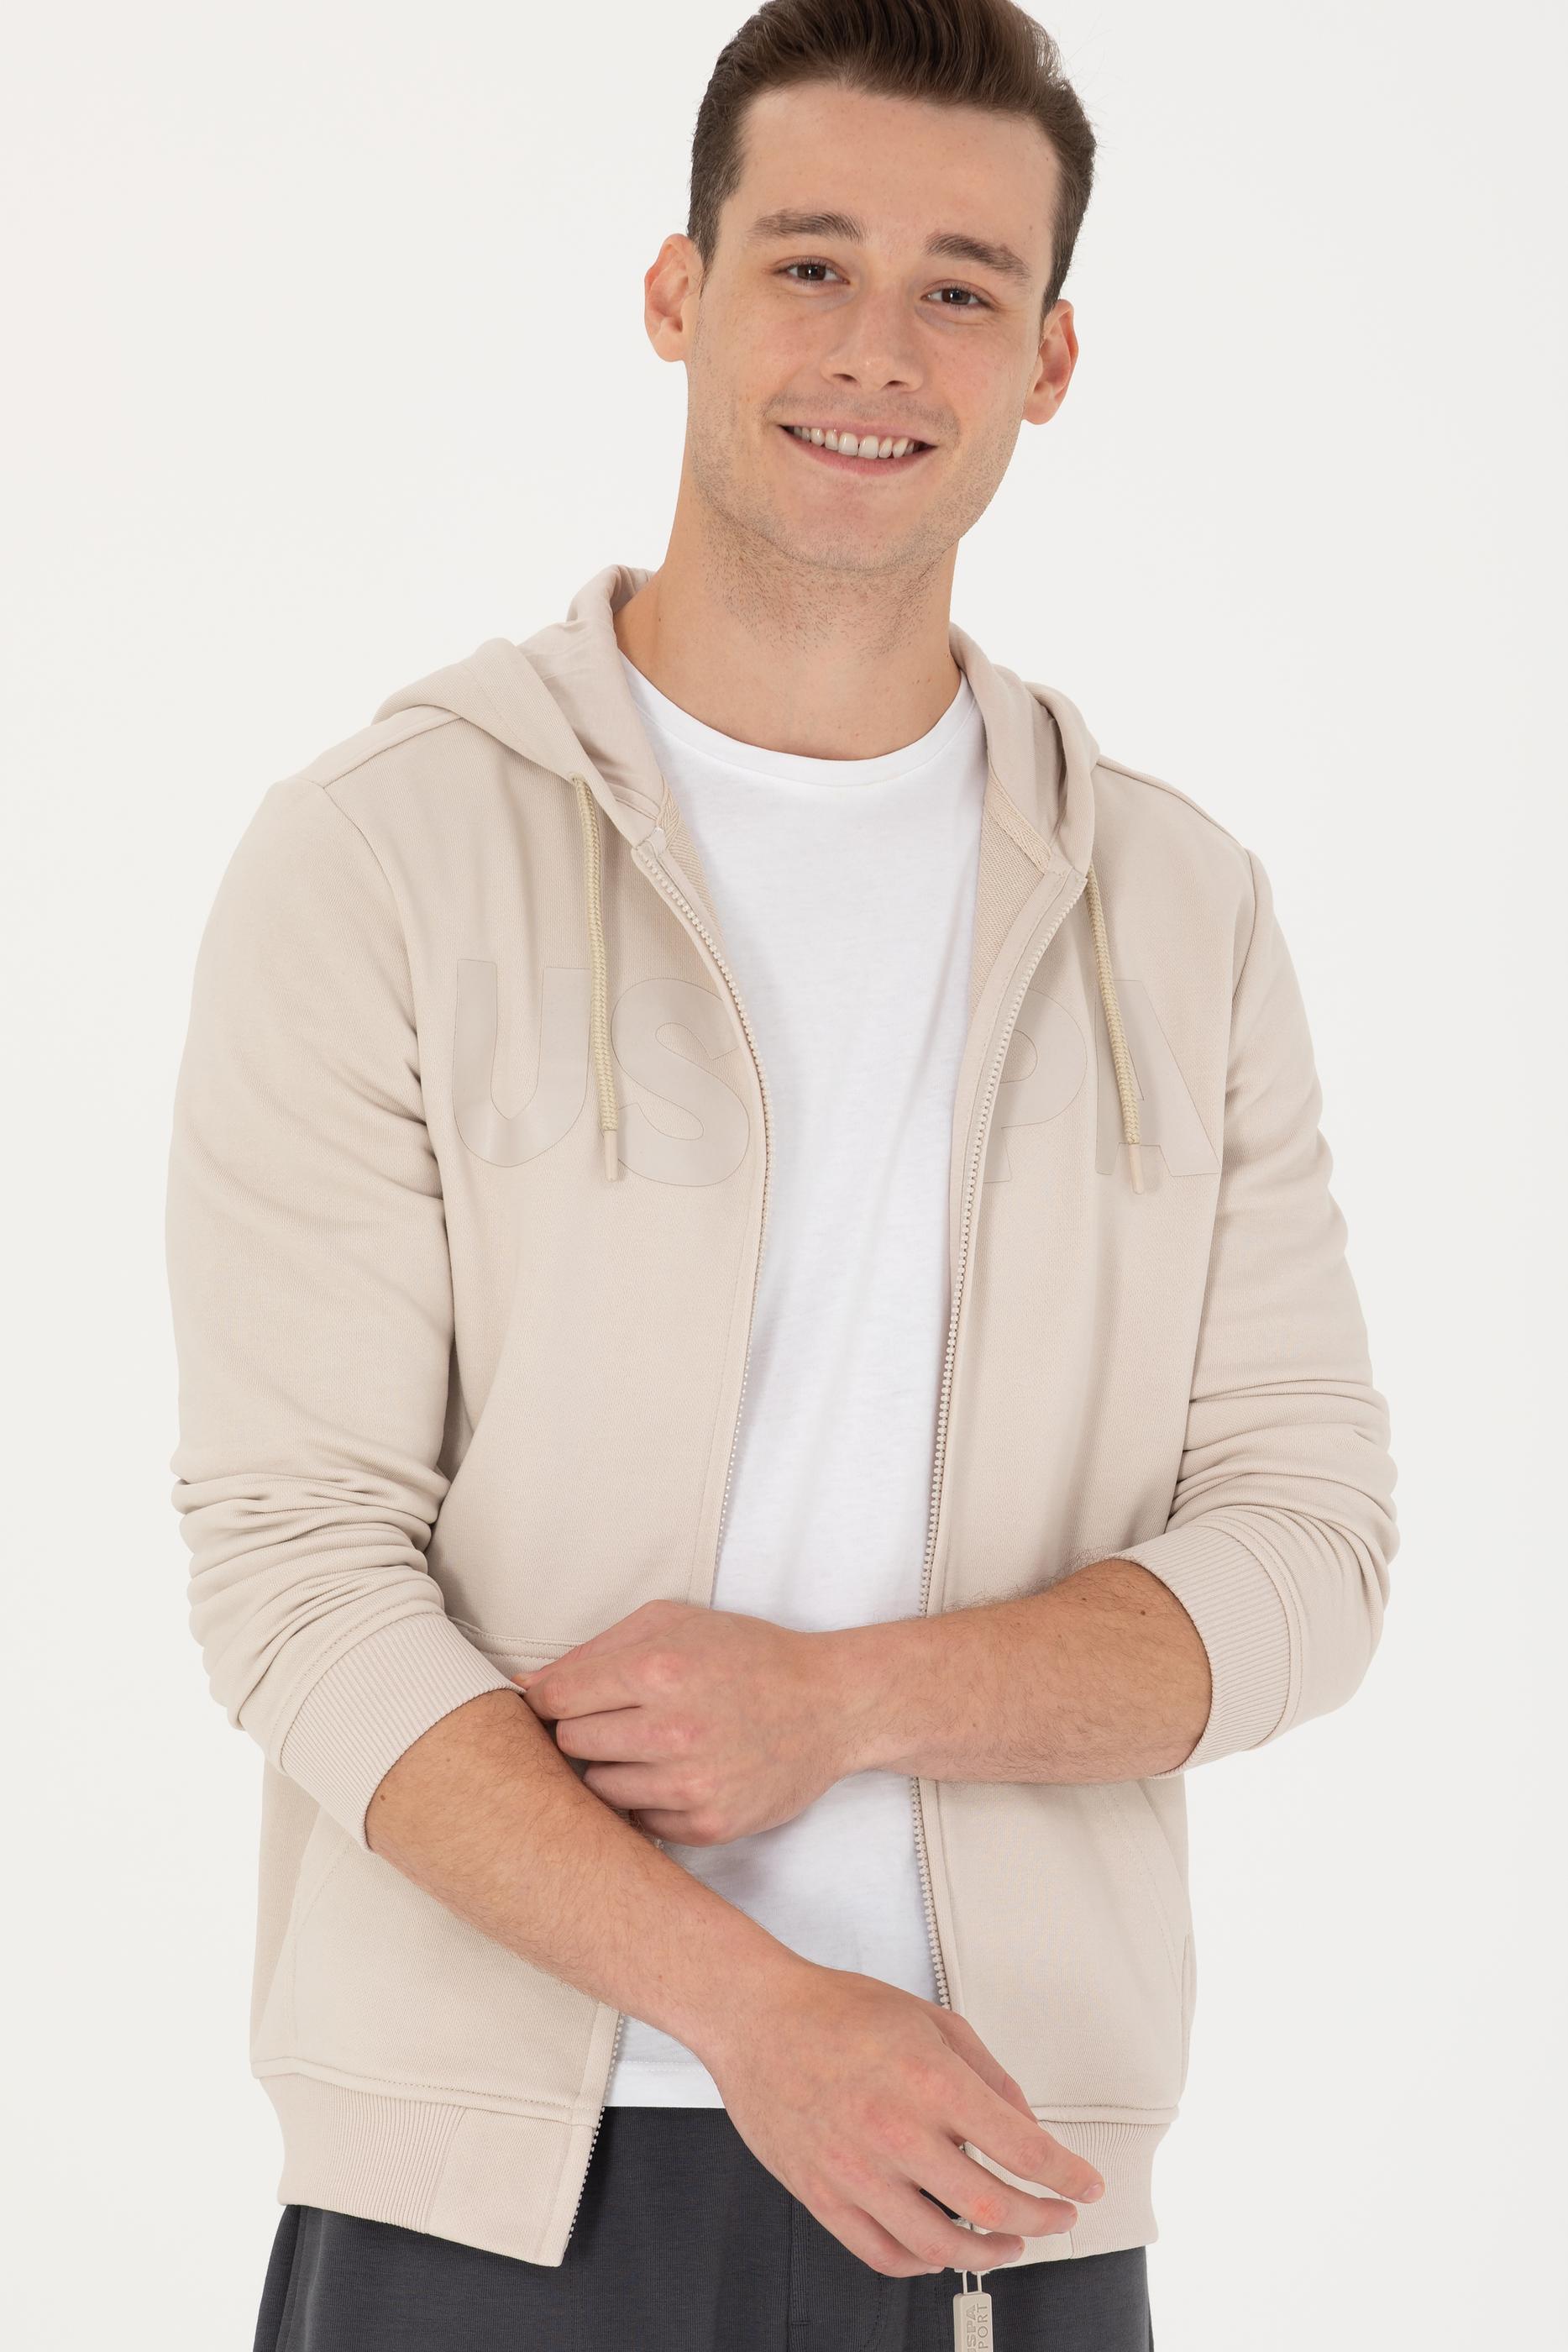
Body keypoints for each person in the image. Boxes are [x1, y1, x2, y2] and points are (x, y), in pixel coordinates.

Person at [164, 3, 1399, 2346]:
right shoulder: (383, 853)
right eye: (809, 262)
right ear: (679, 292)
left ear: (1047, 362)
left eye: (959, 287)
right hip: (485, 2192)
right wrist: (755, 2011)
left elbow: (1307, 1555)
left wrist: (846, 1703)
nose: (874, 350)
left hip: (997, 2180)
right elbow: (297, 1577)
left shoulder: (1177, 911)